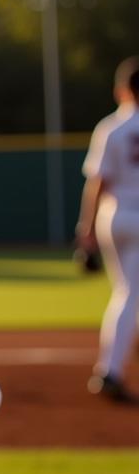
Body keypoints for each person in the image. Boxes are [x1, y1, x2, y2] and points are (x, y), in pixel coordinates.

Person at [77, 56, 139, 403]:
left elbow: (97, 183)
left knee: (127, 290)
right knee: (130, 293)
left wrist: (86, 229)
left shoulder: (111, 127)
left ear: (123, 90)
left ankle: (117, 359)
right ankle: (110, 372)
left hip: (113, 218)